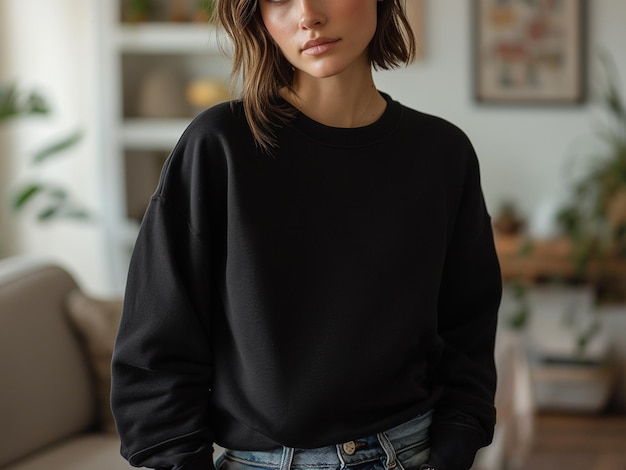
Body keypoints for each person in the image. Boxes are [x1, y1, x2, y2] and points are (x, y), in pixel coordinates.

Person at [110, 1, 502, 469]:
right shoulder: (220, 146)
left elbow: (468, 328)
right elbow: (157, 344)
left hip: (411, 452)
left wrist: (455, 444)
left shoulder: (442, 153)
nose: (308, 15)